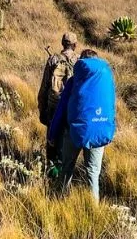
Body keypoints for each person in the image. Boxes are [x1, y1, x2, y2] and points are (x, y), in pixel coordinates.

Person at [48, 49, 115, 200]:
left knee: (67, 168)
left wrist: (52, 134)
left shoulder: (74, 82)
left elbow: (61, 110)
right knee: (93, 173)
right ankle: (94, 209)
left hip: (73, 132)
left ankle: (60, 200)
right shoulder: (106, 82)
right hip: (99, 131)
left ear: (82, 63)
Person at [38, 33, 78, 164]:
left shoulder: (53, 60)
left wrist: (42, 109)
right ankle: (65, 169)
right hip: (71, 106)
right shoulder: (79, 61)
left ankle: (51, 169)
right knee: (67, 139)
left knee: (52, 138)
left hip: (53, 105)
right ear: (75, 45)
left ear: (62, 44)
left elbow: (44, 87)